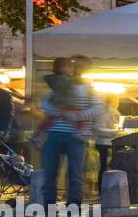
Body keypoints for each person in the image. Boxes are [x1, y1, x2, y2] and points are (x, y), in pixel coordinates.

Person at [38, 56, 98, 207]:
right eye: (69, 67)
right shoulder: (58, 87)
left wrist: (78, 115)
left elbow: (96, 108)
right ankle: (50, 209)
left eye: (73, 67)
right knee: (51, 174)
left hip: (76, 136)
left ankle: (73, 208)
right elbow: (44, 103)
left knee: (75, 175)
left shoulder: (88, 87)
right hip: (56, 133)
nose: (72, 70)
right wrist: (61, 113)